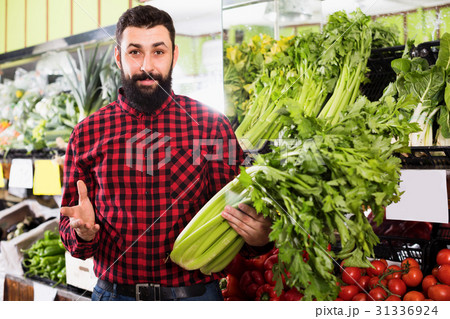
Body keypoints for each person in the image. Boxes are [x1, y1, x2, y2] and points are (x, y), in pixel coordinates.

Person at [59, 5, 272, 301]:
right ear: (119, 57)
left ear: (174, 54)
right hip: (114, 298)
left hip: (195, 298)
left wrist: (260, 239)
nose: (147, 65)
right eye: (135, 52)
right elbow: (71, 237)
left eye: (158, 51)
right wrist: (82, 234)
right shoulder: (87, 133)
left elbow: (239, 224)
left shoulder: (210, 125)